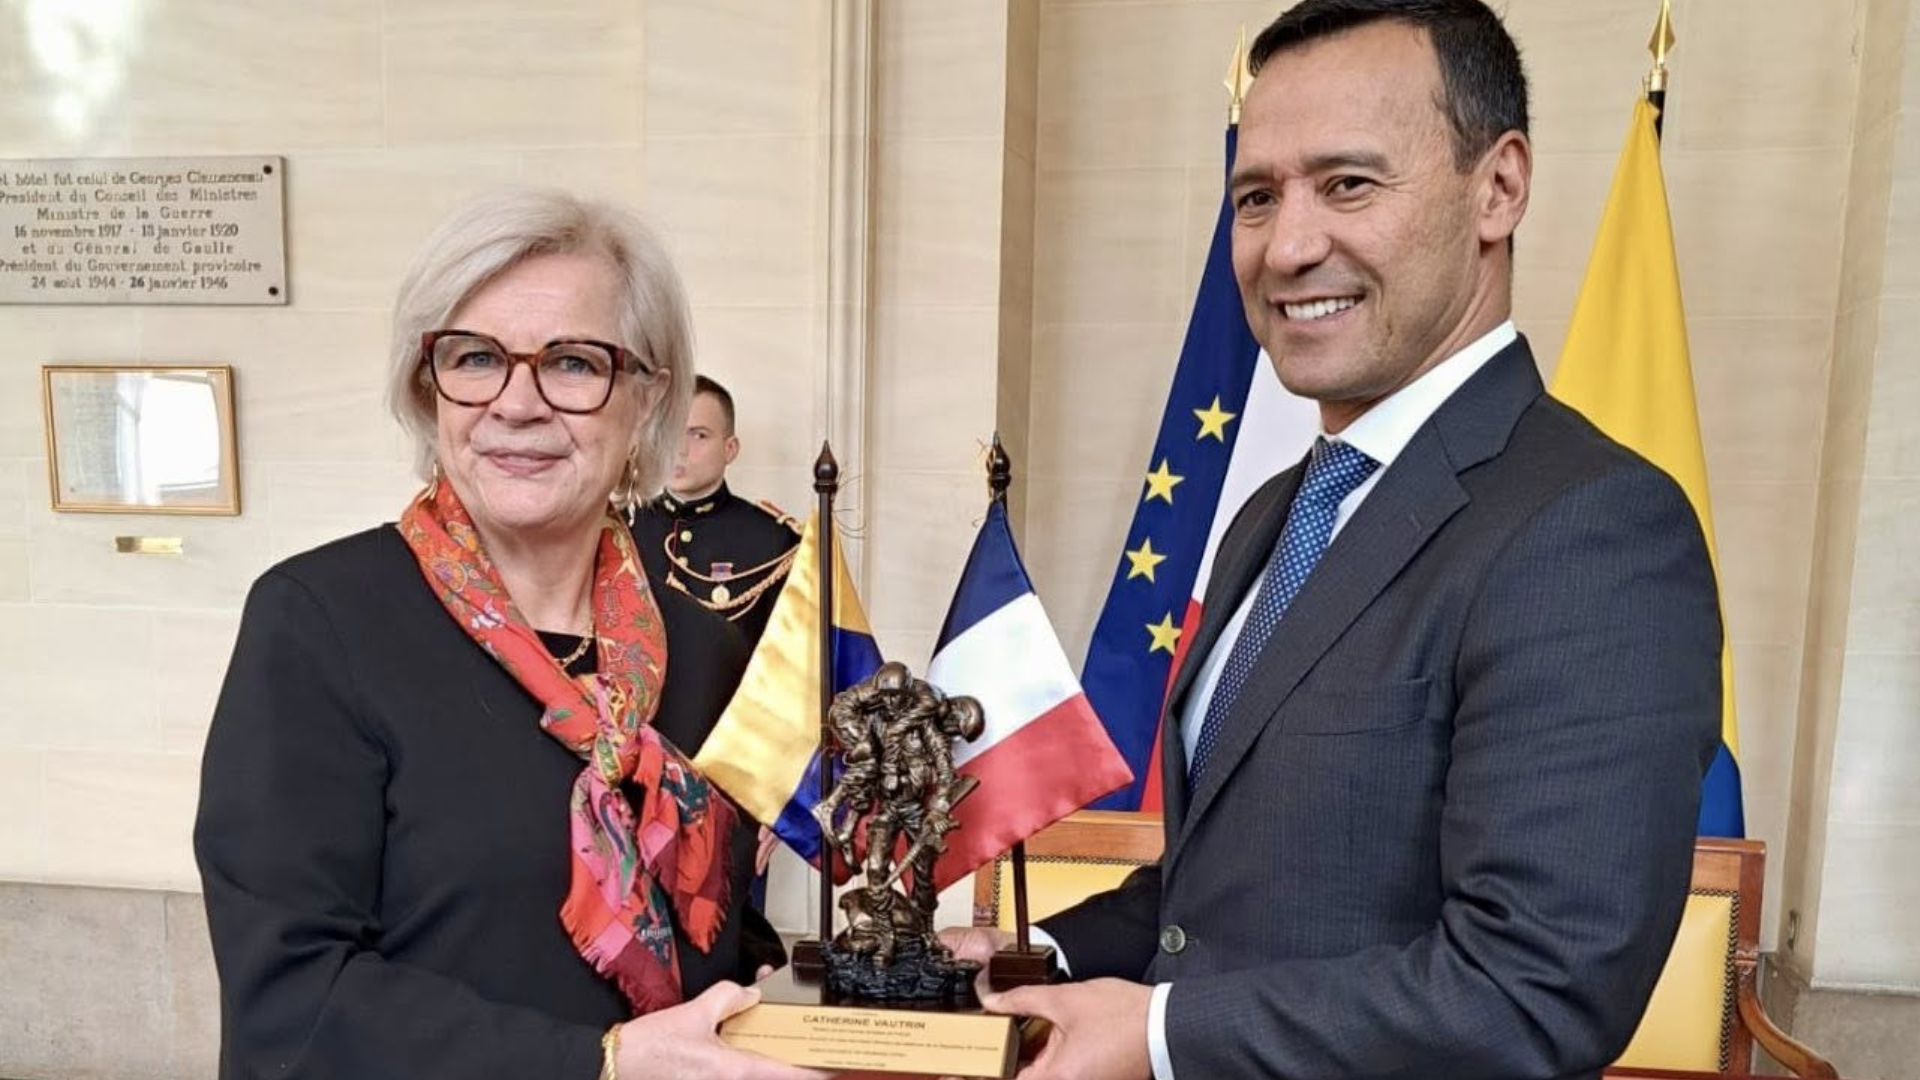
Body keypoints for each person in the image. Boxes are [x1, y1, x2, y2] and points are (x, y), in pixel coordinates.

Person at [945, 3, 1723, 1079]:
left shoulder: (1591, 528)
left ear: (1498, 188)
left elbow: (1534, 991)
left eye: (1348, 184)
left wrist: (1163, 1038)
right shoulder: (1270, 513)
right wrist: (1036, 957)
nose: (1289, 245)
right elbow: (1219, 892)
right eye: (1256, 197)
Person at [194, 189, 820, 1080]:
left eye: (571, 363)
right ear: (430, 389)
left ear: (646, 404)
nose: (516, 403)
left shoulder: (701, 648)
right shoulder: (320, 620)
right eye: (477, 357)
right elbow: (288, 1001)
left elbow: (715, 943)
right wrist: (598, 1064)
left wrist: (880, 999)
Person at [627, 376, 801, 648]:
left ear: (729, 449)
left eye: (699, 435)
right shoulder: (624, 527)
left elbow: (786, 659)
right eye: (671, 431)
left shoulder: (774, 540)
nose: (680, 449)